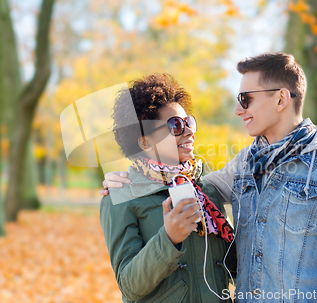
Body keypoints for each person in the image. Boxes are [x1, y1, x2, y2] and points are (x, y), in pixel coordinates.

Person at [101, 53, 317, 303]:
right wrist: (125, 181)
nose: (238, 110)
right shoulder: (243, 166)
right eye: (176, 125)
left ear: (281, 99)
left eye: (247, 99)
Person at [99, 73, 236, 303]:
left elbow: (233, 266)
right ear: (145, 141)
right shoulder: (120, 196)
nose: (189, 131)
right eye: (176, 125)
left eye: (189, 122)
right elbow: (129, 286)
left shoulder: (206, 189)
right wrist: (169, 238)